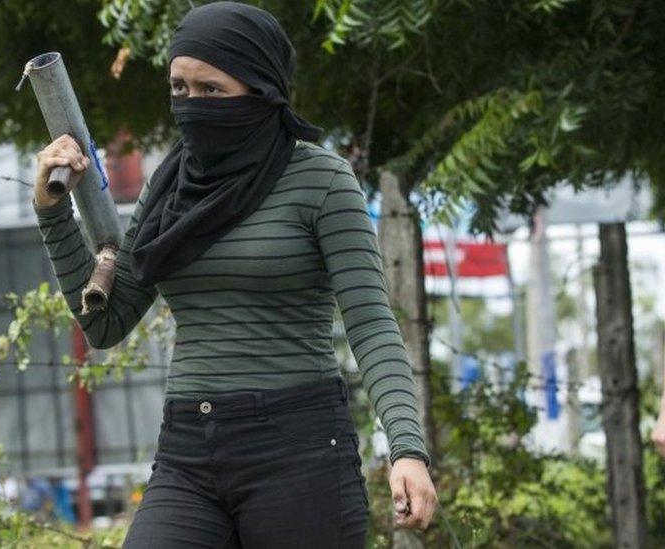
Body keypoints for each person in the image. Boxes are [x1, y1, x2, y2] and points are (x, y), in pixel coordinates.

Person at [32, 2, 436, 547]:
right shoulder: (171, 185)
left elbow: (370, 324)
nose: (192, 106)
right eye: (179, 89)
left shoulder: (321, 179)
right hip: (189, 450)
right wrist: (53, 212)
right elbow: (106, 323)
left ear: (262, 90)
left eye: (211, 90)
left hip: (299, 451)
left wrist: (406, 448)